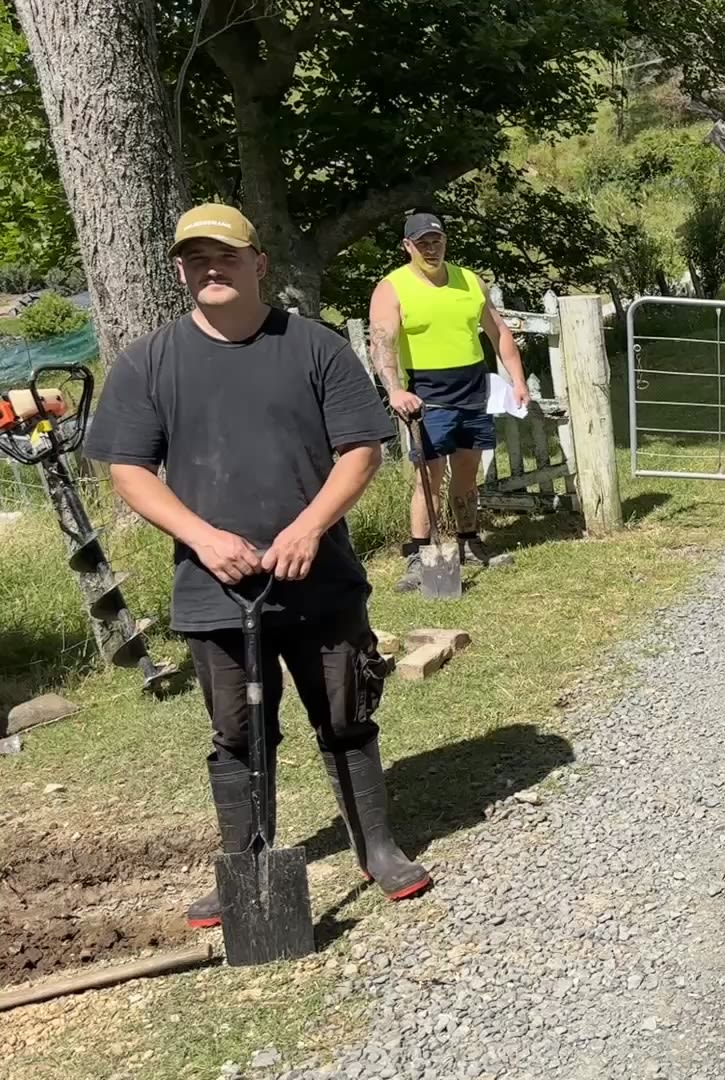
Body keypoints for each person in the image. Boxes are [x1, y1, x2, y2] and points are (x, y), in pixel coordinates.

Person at [84, 204, 432, 929]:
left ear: (259, 264)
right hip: (213, 587)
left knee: (346, 715)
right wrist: (202, 537)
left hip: (319, 578)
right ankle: (243, 864)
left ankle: (377, 848)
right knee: (237, 733)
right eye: (196, 259)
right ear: (181, 271)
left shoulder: (314, 348)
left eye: (227, 256)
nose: (211, 269)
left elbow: (362, 450)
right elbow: (129, 470)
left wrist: (310, 527)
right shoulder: (148, 362)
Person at [366, 212, 529, 590]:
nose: (431, 248)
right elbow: (382, 343)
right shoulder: (392, 288)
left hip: (473, 390)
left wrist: (517, 380)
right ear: (407, 246)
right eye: (422, 243)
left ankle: (468, 541)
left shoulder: (470, 281)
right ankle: (419, 555)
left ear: (445, 241)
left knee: (468, 472)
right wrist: (395, 390)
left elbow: (499, 332)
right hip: (427, 396)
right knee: (429, 477)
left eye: (436, 240)